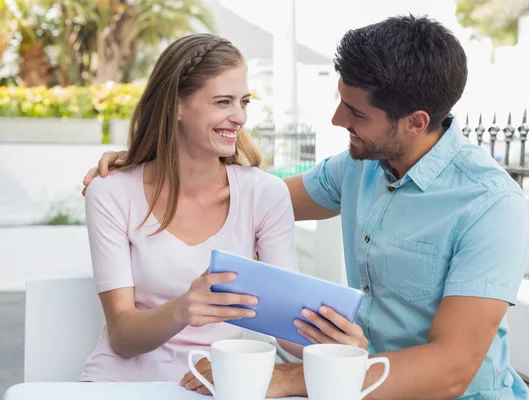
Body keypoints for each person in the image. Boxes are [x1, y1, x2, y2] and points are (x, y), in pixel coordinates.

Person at [83, 16, 529, 399]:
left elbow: (453, 369)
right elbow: (245, 198)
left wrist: (296, 376)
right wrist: (147, 165)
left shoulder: (489, 204)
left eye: (356, 113)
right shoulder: (361, 166)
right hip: (347, 377)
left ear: (415, 123)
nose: (338, 120)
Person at [79, 33, 364, 384]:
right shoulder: (111, 192)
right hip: (121, 386)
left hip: (217, 383)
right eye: (222, 102)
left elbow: (286, 325)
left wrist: (339, 345)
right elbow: (122, 337)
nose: (239, 117)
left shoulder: (265, 194)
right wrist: (183, 309)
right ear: (176, 106)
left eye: (243, 101)